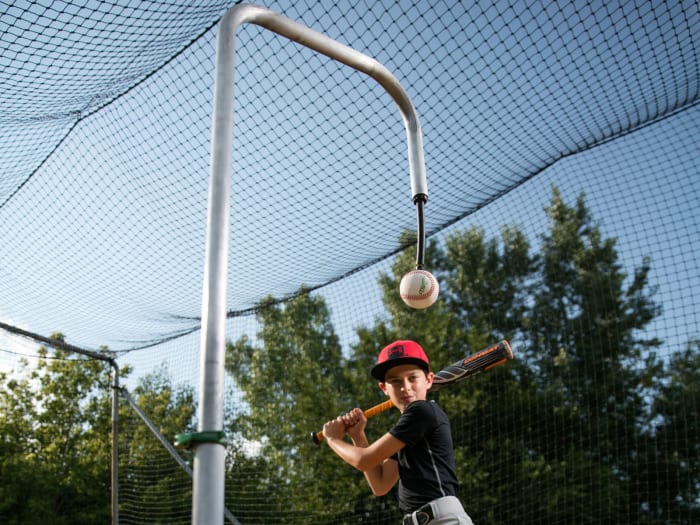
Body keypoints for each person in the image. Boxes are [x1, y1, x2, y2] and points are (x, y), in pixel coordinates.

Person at [323, 340, 474, 525]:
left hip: (443, 520)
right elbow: (380, 484)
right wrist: (357, 435)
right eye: (395, 381)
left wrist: (332, 438)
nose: (405, 387)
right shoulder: (406, 430)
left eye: (412, 378)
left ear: (429, 380)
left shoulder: (422, 411)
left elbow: (363, 460)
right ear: (384, 388)